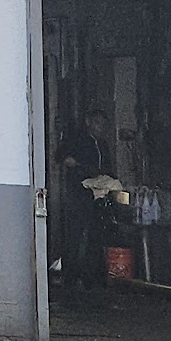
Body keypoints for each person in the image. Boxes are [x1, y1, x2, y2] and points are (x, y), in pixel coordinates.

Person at [56, 108, 113, 292]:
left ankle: (91, 278)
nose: (100, 127)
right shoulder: (77, 141)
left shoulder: (102, 145)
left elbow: (107, 169)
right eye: (97, 123)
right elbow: (60, 155)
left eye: (103, 125)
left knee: (95, 237)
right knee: (75, 236)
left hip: (99, 196)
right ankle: (70, 279)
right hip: (78, 194)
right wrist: (70, 161)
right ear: (89, 122)